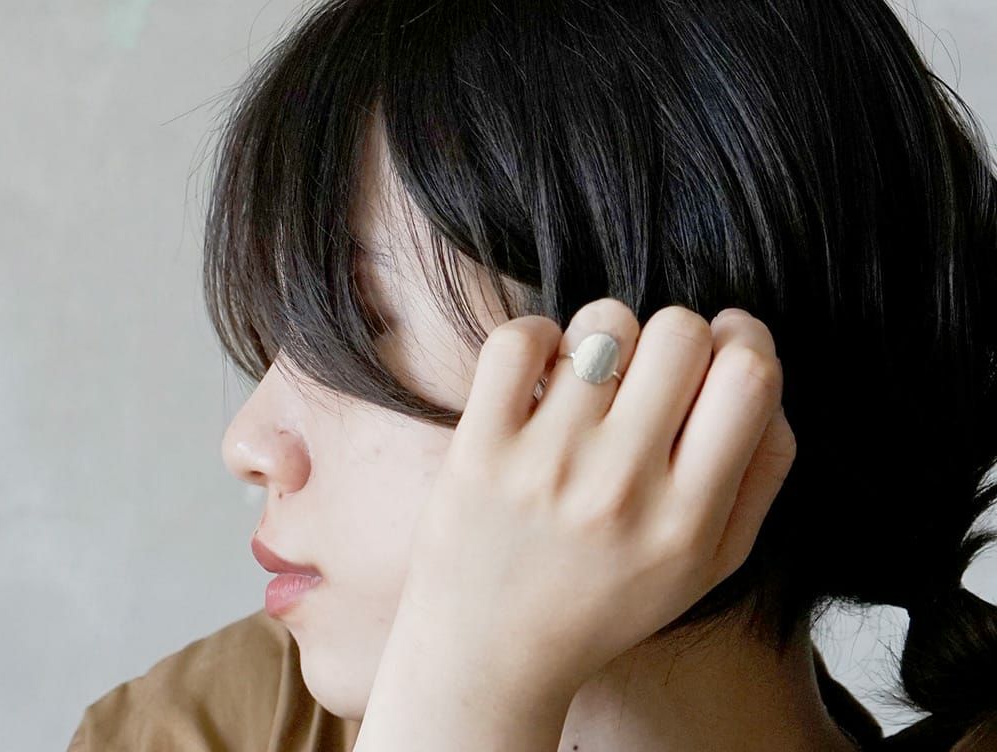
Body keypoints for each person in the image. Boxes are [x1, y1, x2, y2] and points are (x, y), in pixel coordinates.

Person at [70, 0, 997, 749]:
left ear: (673, 378)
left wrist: (471, 680)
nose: (247, 444)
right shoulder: (194, 727)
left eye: (359, 319)